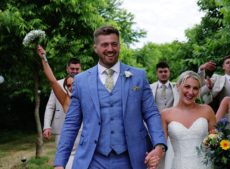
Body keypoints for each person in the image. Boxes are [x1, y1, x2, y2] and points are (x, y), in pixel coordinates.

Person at [53, 25, 167, 169]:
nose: (110, 49)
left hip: (131, 159)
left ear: (119, 46)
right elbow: (71, 123)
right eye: (104, 44)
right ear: (95, 48)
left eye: (114, 44)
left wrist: (159, 145)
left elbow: (151, 113)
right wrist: (59, 163)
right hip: (93, 159)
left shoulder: (138, 76)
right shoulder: (81, 81)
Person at [160, 71, 216, 169]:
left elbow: (216, 141)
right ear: (178, 86)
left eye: (195, 88)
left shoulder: (207, 110)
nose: (191, 92)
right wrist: (153, 156)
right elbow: (161, 146)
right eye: (187, 86)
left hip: (205, 166)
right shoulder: (165, 114)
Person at [37, 46, 81, 169]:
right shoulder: (64, 99)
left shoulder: (86, 88)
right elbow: (52, 81)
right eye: (69, 85)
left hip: (83, 135)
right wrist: (44, 58)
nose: (75, 71)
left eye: (77, 69)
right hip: (64, 131)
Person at [43, 58, 81, 143]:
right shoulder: (58, 84)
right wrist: (46, 126)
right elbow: (50, 107)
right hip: (61, 127)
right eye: (72, 68)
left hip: (81, 129)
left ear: (80, 69)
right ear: (67, 69)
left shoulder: (86, 84)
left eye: (77, 69)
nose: (74, 71)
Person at [150, 62, 179, 169]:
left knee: (172, 152)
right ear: (156, 73)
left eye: (165, 71)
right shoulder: (150, 88)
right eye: (160, 72)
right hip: (155, 126)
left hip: (173, 125)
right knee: (157, 150)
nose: (163, 74)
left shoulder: (177, 87)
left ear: (169, 72)